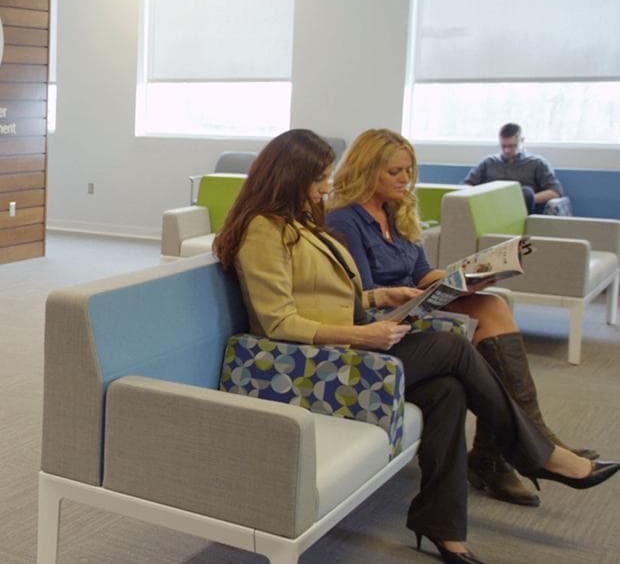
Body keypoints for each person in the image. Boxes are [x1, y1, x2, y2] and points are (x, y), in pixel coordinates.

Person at [213, 129, 616, 564]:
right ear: (289, 176)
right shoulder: (263, 230)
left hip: (345, 347)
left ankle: (442, 527)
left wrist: (381, 298)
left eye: (327, 177)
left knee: (449, 390)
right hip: (316, 364)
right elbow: (279, 321)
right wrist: (363, 333)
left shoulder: (299, 223)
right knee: (454, 349)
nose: (326, 188)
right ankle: (536, 453)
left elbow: (330, 296)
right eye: (318, 179)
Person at [326, 129, 599, 508]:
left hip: (415, 301)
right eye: (394, 172)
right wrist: (417, 293)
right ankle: (523, 448)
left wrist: (464, 278)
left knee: (492, 304)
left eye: (409, 170)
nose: (405, 179)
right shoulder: (344, 220)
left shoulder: (396, 211)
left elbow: (422, 272)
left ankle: (513, 449)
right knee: (488, 326)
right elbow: (360, 295)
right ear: (367, 171)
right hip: (383, 319)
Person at [463, 123, 562, 214]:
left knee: (526, 192)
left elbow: (555, 192)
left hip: (520, 208)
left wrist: (522, 199)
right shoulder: (489, 162)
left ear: (522, 141)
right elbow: (467, 186)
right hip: (491, 207)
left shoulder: (537, 163)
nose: (507, 150)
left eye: (512, 146)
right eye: (503, 146)